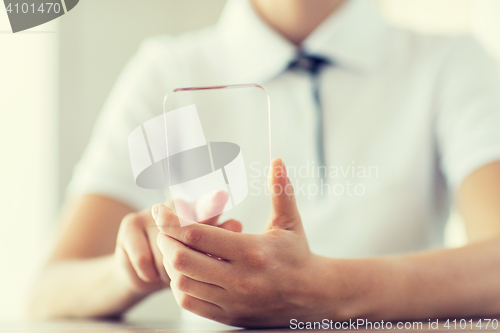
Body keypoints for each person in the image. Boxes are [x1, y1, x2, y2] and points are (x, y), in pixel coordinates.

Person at [28, 0, 500, 328]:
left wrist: (324, 292)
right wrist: (133, 267)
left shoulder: (449, 63)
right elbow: (47, 292)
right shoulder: (167, 71)